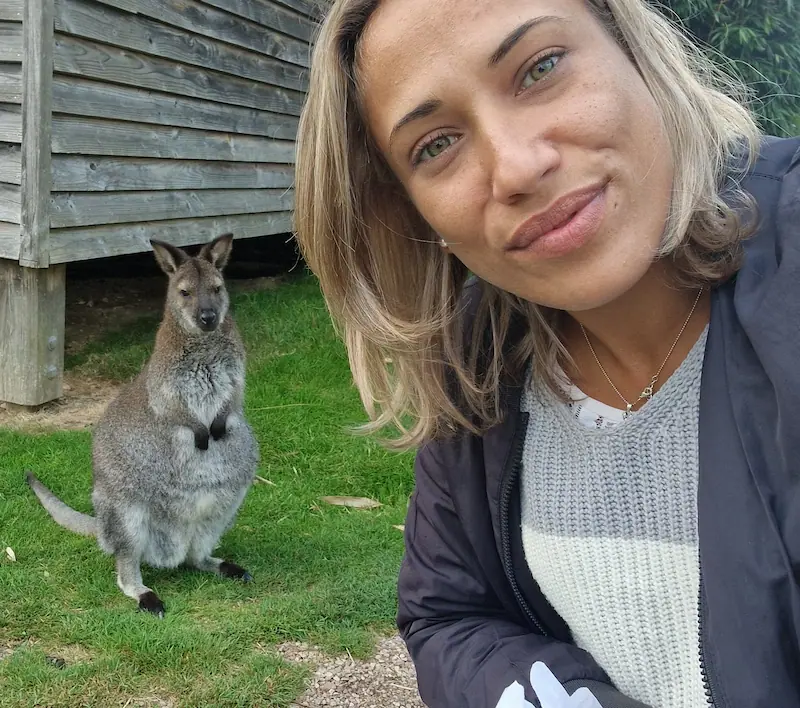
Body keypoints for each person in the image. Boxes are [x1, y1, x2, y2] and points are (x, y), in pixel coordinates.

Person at [293, 0, 800, 706]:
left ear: (633, 50)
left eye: (540, 68)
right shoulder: (477, 364)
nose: (516, 168)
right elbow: (451, 616)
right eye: (435, 145)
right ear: (412, 210)